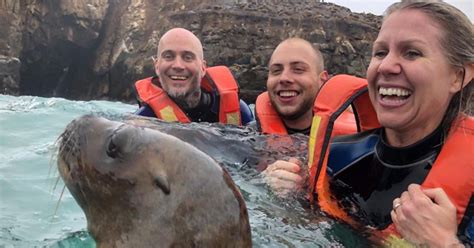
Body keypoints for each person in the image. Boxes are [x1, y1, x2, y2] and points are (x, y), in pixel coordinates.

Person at [265, 1, 473, 246]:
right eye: (380, 53)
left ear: (458, 76)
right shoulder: (336, 158)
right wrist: (289, 197)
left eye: (412, 53)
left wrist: (444, 243)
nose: (386, 66)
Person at [133, 28, 254, 125]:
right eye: (168, 56)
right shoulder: (143, 123)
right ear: (157, 67)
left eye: (188, 57)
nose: (178, 65)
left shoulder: (239, 112)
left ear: (203, 68)